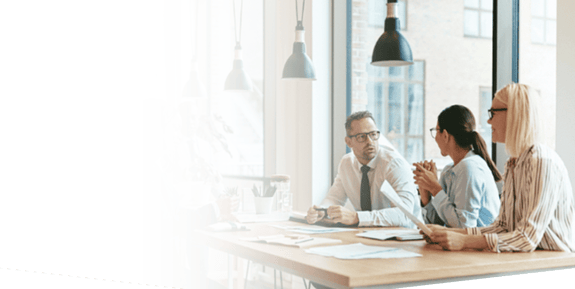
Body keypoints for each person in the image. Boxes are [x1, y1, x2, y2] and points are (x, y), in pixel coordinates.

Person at [425, 83, 575, 252]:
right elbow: (503, 227)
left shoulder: (541, 162)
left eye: (493, 113)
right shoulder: (513, 164)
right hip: (529, 260)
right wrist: (452, 233)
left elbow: (526, 238)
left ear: (514, 114)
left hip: (553, 264)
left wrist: (464, 241)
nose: (488, 121)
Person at [306, 111, 422, 228]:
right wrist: (322, 211)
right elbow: (334, 198)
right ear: (349, 142)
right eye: (362, 136)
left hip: (406, 237)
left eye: (373, 134)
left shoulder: (394, 165)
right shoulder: (347, 164)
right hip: (370, 235)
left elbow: (404, 215)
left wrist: (356, 217)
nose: (370, 141)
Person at [413, 105, 501, 228]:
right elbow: (439, 223)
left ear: (445, 135)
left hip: (480, 245)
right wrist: (426, 195)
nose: (435, 138)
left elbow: (464, 227)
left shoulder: (470, 168)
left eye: (436, 131)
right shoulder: (449, 170)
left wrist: (436, 189)